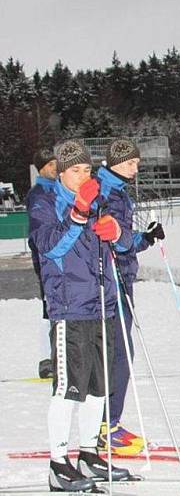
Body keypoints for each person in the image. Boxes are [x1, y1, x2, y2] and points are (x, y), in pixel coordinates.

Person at [28, 140, 133, 492]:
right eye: (75, 170)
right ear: (61, 171)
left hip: (102, 301)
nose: (83, 176)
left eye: (87, 169)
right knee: (68, 388)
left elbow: (123, 243)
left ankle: (88, 454)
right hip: (69, 306)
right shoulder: (46, 202)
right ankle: (59, 462)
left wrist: (118, 234)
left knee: (98, 387)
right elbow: (49, 245)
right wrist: (77, 214)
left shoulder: (100, 199)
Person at [95, 138, 164, 455]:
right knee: (120, 351)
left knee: (117, 350)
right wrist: (139, 241)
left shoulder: (114, 190)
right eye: (130, 163)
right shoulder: (107, 192)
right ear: (114, 163)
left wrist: (145, 237)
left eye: (137, 163)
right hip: (111, 279)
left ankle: (105, 422)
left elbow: (121, 236)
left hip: (119, 276)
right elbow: (117, 239)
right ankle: (107, 425)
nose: (135, 168)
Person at [26, 147, 58, 379]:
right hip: (47, 260)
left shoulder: (60, 189)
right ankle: (46, 358)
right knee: (49, 310)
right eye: (50, 165)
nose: (55, 168)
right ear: (41, 168)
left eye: (56, 163)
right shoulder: (38, 194)